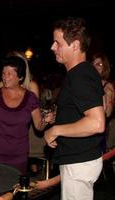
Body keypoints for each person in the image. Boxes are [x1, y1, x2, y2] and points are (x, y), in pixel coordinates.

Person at [44, 17, 105, 200]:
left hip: (79, 163)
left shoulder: (80, 76)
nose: (52, 47)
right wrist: (61, 117)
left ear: (75, 45)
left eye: (58, 43)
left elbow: (96, 123)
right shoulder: (83, 72)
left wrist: (56, 129)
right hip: (81, 160)